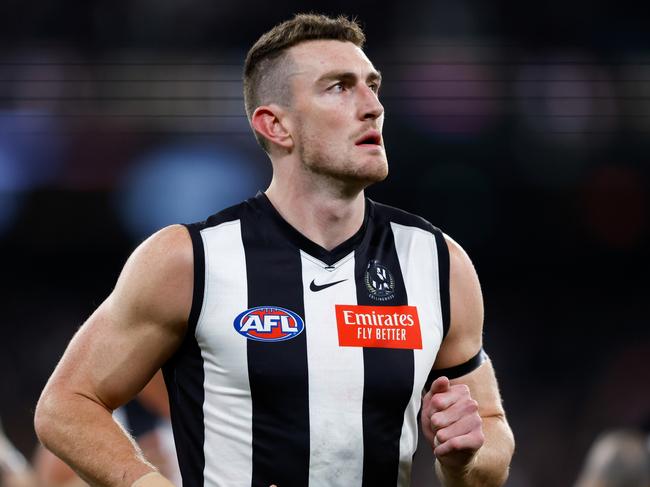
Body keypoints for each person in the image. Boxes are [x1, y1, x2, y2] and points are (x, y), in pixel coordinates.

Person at [34, 13, 514, 487]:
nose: (372, 106)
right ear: (275, 125)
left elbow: (488, 431)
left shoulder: (437, 262)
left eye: (373, 85)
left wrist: (464, 460)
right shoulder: (190, 259)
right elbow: (66, 405)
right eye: (339, 87)